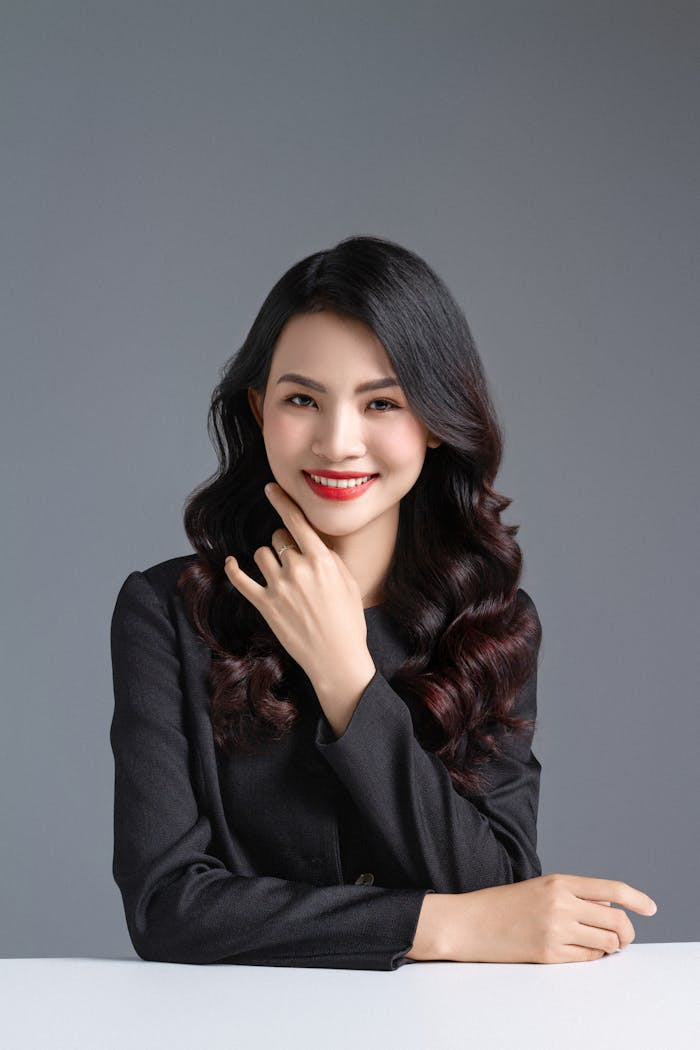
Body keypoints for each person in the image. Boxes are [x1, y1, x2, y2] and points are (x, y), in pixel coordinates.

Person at [109, 234, 657, 970]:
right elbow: (167, 909)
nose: (338, 442)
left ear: (432, 423)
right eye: (302, 399)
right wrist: (442, 927)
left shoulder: (495, 622)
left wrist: (347, 681)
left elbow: (495, 881)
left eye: (383, 403)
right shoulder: (167, 611)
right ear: (258, 408)